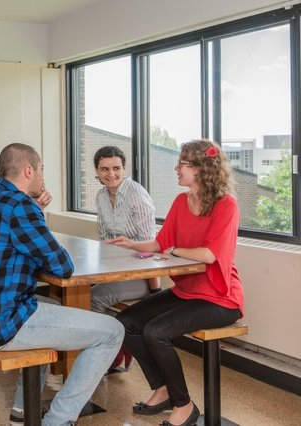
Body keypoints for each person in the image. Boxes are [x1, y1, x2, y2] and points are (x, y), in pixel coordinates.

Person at [0, 143, 124, 426]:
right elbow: (62, 266)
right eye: (41, 170)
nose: (43, 177)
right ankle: (58, 420)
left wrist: (34, 211)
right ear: (29, 170)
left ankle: (21, 411)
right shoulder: (20, 205)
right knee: (113, 332)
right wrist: (35, 210)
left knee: (53, 306)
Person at [109, 139, 244, 426]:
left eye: (182, 163)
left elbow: (210, 254)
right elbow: (162, 242)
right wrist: (132, 244)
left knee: (156, 332)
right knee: (127, 321)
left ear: (201, 168)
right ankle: (163, 389)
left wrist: (174, 251)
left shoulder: (226, 205)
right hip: (187, 291)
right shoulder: (181, 202)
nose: (176, 168)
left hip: (220, 298)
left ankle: (184, 405)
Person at [91, 145, 159, 372]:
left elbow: (152, 248)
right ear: (96, 171)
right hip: (113, 270)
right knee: (78, 293)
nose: (111, 174)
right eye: (105, 169)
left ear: (124, 167)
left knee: (93, 299)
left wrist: (155, 292)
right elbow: (104, 240)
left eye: (116, 168)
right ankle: (119, 349)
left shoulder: (136, 194)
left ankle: (103, 359)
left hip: (140, 275)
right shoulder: (101, 196)